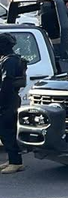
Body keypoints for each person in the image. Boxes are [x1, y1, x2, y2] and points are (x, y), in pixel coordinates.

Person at [0, 34, 28, 175]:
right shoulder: (11, 59)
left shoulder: (9, 61)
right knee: (6, 131)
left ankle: (15, 162)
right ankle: (13, 160)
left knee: (7, 131)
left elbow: (6, 83)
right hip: (10, 98)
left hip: (7, 99)